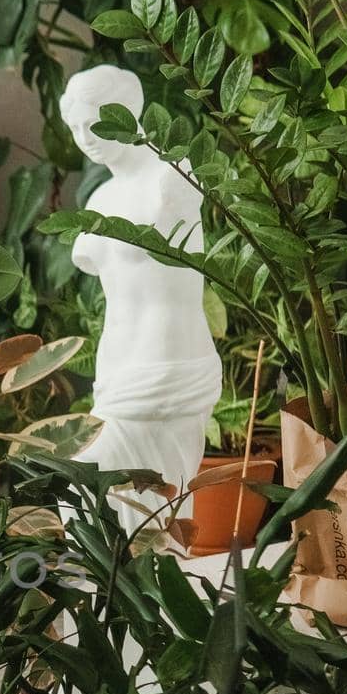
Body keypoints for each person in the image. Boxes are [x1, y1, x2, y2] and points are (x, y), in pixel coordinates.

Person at [58, 64, 222, 533]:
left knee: (95, 487)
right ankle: (133, 601)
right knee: (137, 509)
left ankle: (145, 598)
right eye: (74, 127)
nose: (84, 137)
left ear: (127, 112)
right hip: (115, 375)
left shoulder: (172, 177)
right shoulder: (100, 200)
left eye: (93, 123)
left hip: (167, 369)